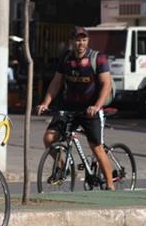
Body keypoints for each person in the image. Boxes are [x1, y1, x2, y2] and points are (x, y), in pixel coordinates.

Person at [36, 26, 115, 190]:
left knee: (97, 148)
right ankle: (62, 168)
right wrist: (46, 103)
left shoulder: (97, 58)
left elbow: (106, 84)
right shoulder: (66, 58)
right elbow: (56, 82)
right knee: (49, 138)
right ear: (71, 41)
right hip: (68, 108)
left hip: (90, 109)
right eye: (77, 40)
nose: (81, 43)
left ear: (88, 40)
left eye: (84, 39)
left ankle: (109, 184)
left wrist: (96, 106)